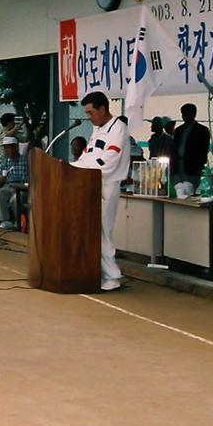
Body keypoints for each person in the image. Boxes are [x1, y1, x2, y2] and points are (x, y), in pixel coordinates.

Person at [72, 91, 130, 291]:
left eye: (90, 112)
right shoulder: (97, 129)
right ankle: (93, 272)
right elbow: (88, 154)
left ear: (102, 109)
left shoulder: (118, 128)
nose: (88, 117)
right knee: (91, 230)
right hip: (89, 183)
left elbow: (110, 160)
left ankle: (112, 276)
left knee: (103, 231)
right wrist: (72, 166)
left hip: (107, 184)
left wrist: (84, 169)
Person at [0, 136, 29, 229]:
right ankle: (5, 220)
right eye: (5, 148)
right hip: (8, 185)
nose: (6, 150)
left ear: (15, 147)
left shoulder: (25, 160)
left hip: (22, 186)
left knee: (15, 199)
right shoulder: (5, 162)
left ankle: (18, 221)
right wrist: (0, 177)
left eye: (8, 147)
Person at [172, 103, 211, 187]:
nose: (184, 116)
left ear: (194, 114)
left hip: (193, 166)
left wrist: (200, 165)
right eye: (183, 113)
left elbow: (204, 149)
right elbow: (174, 148)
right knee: (177, 187)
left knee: (191, 188)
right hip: (178, 164)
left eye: (187, 113)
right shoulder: (178, 130)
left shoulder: (202, 130)